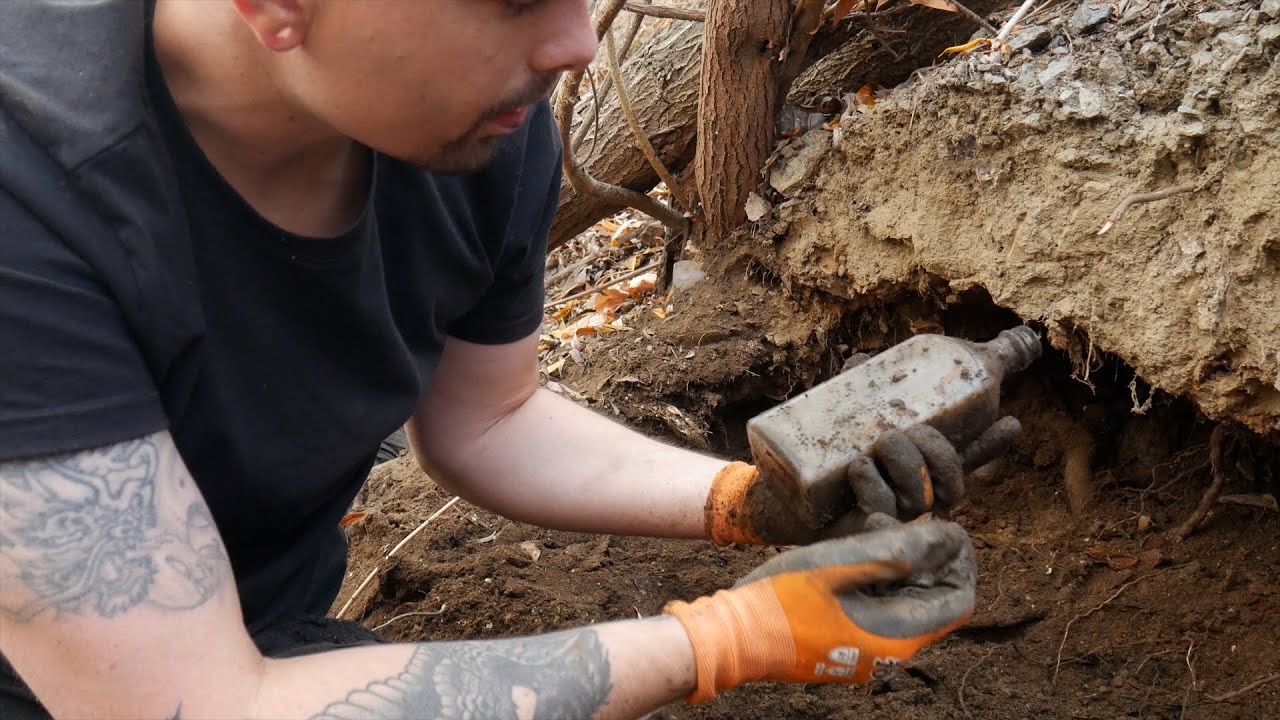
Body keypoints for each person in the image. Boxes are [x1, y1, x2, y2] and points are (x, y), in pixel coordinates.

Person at [0, 1, 1009, 718]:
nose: (572, 43)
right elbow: (196, 705)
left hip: (258, 642)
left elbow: (488, 419)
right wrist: (729, 641)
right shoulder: (32, 197)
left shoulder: (467, 123)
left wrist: (748, 502)